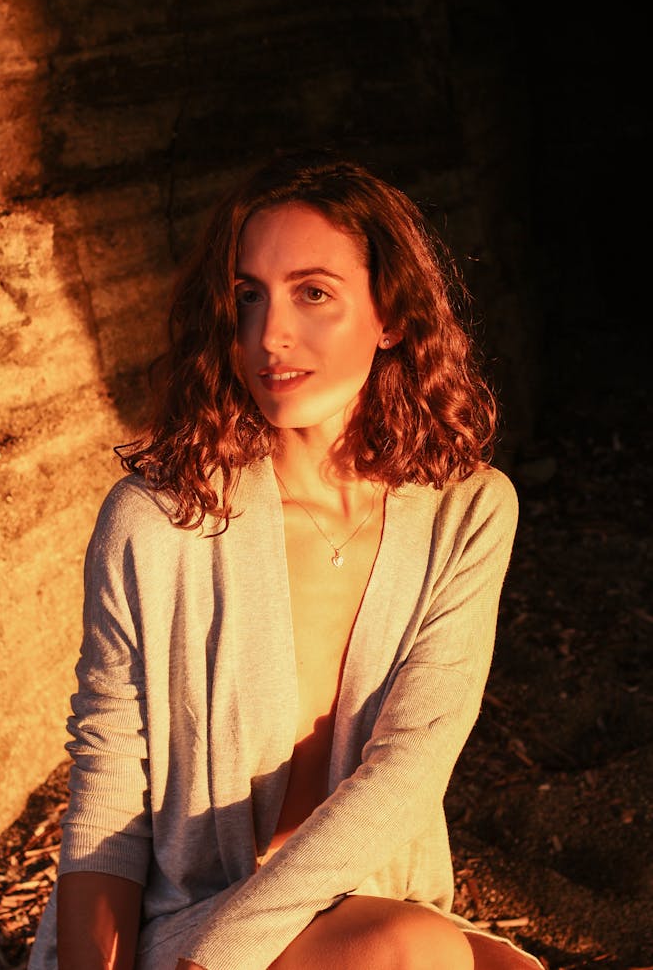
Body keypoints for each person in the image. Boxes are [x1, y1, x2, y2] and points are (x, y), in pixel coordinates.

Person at [29, 150, 542, 969]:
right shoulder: (156, 521)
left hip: (353, 909)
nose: (270, 334)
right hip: (188, 922)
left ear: (392, 315)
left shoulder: (468, 512)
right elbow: (107, 788)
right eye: (248, 296)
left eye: (313, 293)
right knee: (413, 952)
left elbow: (409, 767)